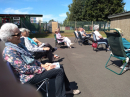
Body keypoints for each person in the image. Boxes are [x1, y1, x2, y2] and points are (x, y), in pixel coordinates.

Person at [0, 23, 80, 97]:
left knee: (60, 67)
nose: (21, 35)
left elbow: (31, 59)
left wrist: (43, 64)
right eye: (18, 34)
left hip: (32, 71)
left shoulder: (18, 46)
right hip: (27, 78)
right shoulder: (10, 51)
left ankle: (66, 90)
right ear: (9, 38)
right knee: (59, 71)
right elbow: (25, 69)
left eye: (20, 33)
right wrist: (44, 68)